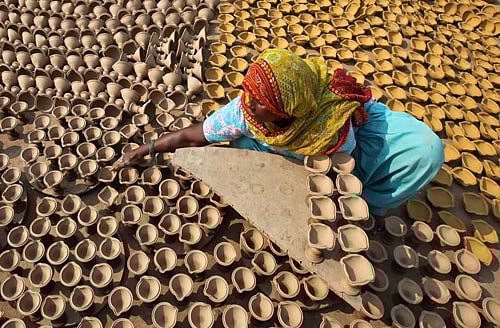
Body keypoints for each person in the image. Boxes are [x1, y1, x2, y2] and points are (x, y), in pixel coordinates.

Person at [112, 48, 444, 225]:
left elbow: (337, 169)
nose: (250, 104)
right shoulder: (244, 111)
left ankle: (374, 201)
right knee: (240, 147)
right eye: (249, 93)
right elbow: (196, 134)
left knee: (425, 150)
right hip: (305, 143)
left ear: (288, 109)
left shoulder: (331, 127)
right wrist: (149, 147)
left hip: (342, 146)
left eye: (261, 101)